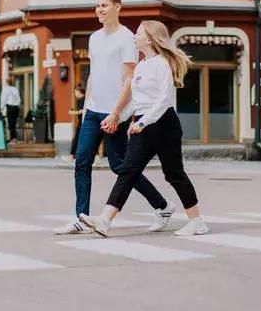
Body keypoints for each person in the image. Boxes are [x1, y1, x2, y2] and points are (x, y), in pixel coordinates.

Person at [54, 0, 173, 235]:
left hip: (113, 113)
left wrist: (116, 113)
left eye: (105, 5)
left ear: (118, 7)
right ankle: (81, 217)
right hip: (93, 111)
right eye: (97, 5)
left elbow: (130, 79)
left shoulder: (127, 38)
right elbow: (95, 74)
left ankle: (162, 205)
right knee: (82, 161)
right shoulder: (94, 38)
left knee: (120, 166)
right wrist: (87, 106)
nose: (100, 9)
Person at [80, 20, 207, 238]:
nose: (134, 37)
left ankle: (197, 221)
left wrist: (142, 122)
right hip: (143, 124)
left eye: (138, 33)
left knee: (173, 174)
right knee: (127, 171)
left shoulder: (162, 63)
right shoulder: (141, 65)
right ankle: (104, 220)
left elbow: (163, 100)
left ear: (149, 38)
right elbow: (138, 101)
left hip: (164, 124)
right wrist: (119, 118)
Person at [1, 77, 21, 143]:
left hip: (10, 107)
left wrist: (2, 108)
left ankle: (12, 139)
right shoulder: (15, 89)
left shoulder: (5, 89)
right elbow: (19, 99)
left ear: (6, 82)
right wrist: (18, 106)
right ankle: (14, 138)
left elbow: (3, 99)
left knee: (10, 123)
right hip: (16, 108)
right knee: (14, 123)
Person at [69, 82, 86, 156]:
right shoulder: (78, 100)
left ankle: (71, 156)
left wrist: (73, 112)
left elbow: (82, 111)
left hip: (84, 122)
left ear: (79, 92)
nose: (74, 93)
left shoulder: (83, 100)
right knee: (78, 139)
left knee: (77, 139)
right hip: (81, 122)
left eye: (75, 92)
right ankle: (72, 156)